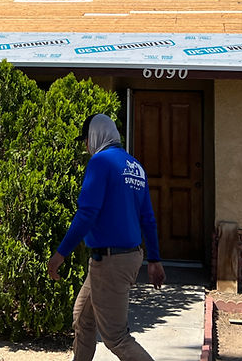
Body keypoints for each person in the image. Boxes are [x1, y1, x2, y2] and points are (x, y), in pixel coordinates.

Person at [48, 113, 165, 361]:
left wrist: (60, 254)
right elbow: (148, 218)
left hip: (111, 261)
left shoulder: (100, 162)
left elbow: (87, 213)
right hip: (118, 259)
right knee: (82, 318)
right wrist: (154, 259)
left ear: (95, 135)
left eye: (86, 140)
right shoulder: (135, 167)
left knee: (116, 337)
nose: (86, 146)